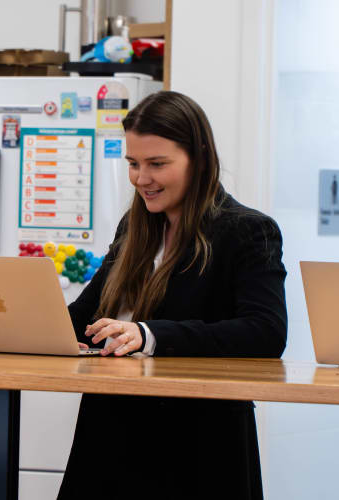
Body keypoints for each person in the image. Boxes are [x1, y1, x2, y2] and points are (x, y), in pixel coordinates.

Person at [57, 91, 287, 499]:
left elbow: (265, 332)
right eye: (133, 164)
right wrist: (19, 323)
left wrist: (150, 335)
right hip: (110, 435)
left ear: (198, 157)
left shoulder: (248, 231)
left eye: (157, 164)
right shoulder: (135, 226)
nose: (141, 178)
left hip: (197, 446)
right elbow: (85, 316)